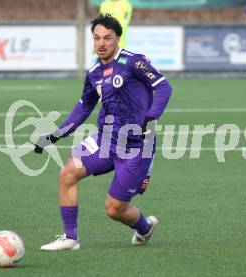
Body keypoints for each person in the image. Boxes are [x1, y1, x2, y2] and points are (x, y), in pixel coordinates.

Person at [36, 14, 172, 251]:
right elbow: (83, 107)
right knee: (68, 172)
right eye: (97, 38)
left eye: (107, 38)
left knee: (114, 209)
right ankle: (70, 238)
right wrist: (56, 135)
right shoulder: (94, 73)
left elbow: (163, 86)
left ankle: (144, 227)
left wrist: (151, 116)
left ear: (117, 38)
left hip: (137, 145)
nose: (101, 43)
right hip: (106, 139)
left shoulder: (133, 62)